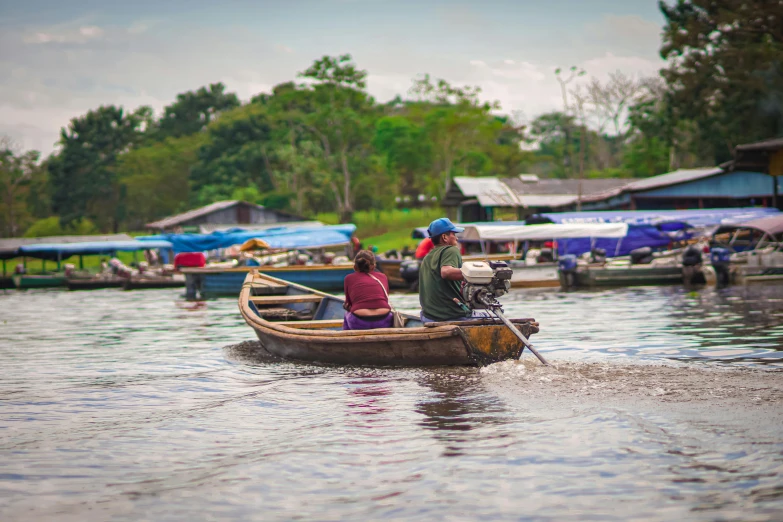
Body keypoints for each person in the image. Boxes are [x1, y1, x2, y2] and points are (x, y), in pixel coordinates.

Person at [418, 218, 493, 323]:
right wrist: (478, 272)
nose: (456, 238)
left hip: (428, 317)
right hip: (450, 316)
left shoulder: (427, 257)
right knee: (492, 315)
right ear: (444, 237)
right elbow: (446, 272)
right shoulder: (451, 249)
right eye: (454, 234)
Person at [342, 250, 393, 330]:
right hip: (384, 320)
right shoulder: (383, 277)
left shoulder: (348, 278)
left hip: (359, 321)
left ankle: (347, 341)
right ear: (374, 265)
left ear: (355, 266)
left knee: (346, 314)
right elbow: (385, 300)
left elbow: (348, 303)